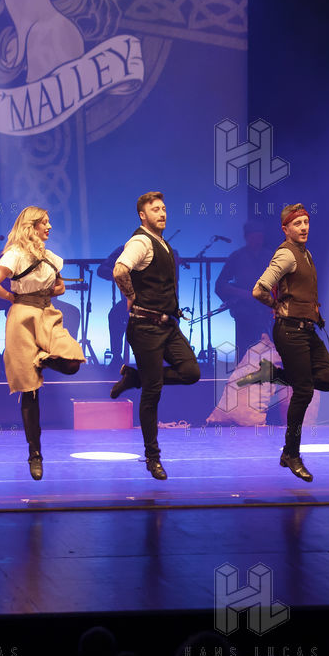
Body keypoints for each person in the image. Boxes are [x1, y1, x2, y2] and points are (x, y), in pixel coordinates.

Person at [238, 204, 329, 483]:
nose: (304, 227)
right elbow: (258, 289)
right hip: (290, 331)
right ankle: (291, 453)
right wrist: (276, 306)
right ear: (285, 229)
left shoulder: (305, 253)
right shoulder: (286, 254)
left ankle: (273, 374)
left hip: (307, 330)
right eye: (297, 223)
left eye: (306, 222)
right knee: (303, 390)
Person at [0, 206, 85, 480]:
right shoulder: (15, 254)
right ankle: (35, 454)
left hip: (47, 313)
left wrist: (47, 291)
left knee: (73, 362)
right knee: (30, 391)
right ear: (31, 226)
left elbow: (60, 287)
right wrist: (13, 298)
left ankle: (42, 359)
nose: (49, 227)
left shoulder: (50, 257)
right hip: (23, 318)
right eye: (45, 222)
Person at [109, 191, 202, 480]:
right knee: (153, 392)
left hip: (167, 326)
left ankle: (135, 377)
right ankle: (152, 457)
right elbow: (119, 270)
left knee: (191, 372)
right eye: (155, 209)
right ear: (142, 215)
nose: (162, 213)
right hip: (145, 327)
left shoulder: (162, 242)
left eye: (163, 208)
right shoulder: (141, 241)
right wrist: (131, 295)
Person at [214, 219, 274, 357]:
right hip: (244, 311)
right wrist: (241, 293)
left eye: (260, 237)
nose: (258, 240)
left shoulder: (270, 256)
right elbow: (220, 285)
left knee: (267, 352)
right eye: (254, 237)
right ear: (247, 238)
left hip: (266, 311)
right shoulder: (237, 257)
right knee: (245, 351)